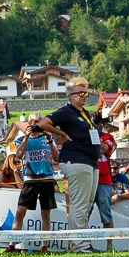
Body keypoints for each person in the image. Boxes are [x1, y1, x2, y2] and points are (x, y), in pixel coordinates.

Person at [47, 79, 102, 244]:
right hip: (76, 160)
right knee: (79, 204)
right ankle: (79, 244)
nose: (85, 96)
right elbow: (44, 123)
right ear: (71, 96)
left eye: (87, 93)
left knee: (87, 204)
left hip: (90, 162)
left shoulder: (84, 113)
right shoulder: (66, 111)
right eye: (81, 93)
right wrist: (62, 134)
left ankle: (83, 242)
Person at [13, 115, 66, 246]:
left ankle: (45, 245)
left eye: (38, 122)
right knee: (20, 211)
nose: (36, 125)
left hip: (47, 179)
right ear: (29, 124)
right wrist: (26, 136)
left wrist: (49, 140)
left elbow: (56, 158)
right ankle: (12, 243)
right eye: (33, 122)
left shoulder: (48, 138)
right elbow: (18, 156)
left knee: (45, 213)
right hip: (30, 179)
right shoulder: (21, 139)